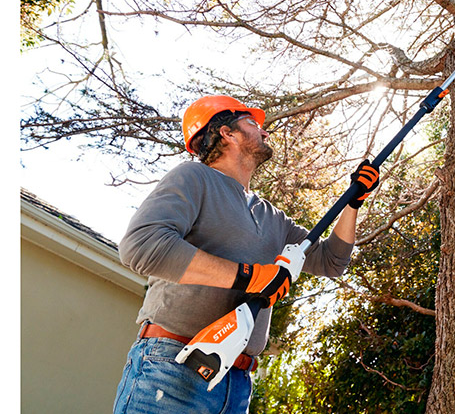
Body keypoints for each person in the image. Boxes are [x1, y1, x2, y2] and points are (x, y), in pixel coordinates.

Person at [112, 95, 379, 414]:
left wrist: (353, 202)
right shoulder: (194, 178)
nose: (265, 132)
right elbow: (141, 245)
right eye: (253, 123)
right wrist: (249, 277)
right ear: (227, 133)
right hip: (172, 369)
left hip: (237, 384)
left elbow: (331, 261)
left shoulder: (273, 218)